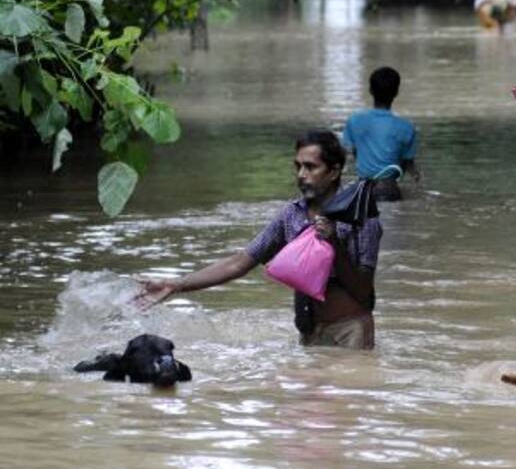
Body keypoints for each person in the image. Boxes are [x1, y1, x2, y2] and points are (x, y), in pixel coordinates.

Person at [136, 131, 383, 349]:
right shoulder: (291, 215)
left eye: (310, 167)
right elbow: (240, 262)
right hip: (309, 334)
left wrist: (334, 245)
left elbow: (363, 291)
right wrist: (176, 285)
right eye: (297, 166)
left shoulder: (361, 218)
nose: (301, 175)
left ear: (334, 171)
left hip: (349, 333)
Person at [342, 66, 419, 201]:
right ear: (396, 92)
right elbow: (408, 163)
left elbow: (353, 152)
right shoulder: (406, 127)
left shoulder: (354, 120)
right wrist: (416, 175)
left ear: (370, 90)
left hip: (363, 188)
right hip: (390, 189)